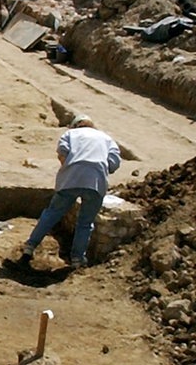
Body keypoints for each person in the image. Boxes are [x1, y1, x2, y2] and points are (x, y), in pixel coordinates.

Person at [17, 114, 121, 268]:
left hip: (69, 180)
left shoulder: (69, 134)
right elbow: (113, 163)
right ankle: (77, 259)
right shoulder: (106, 138)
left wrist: (72, 170)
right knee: (85, 223)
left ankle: (30, 247)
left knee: (52, 214)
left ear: (75, 126)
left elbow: (62, 155)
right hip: (96, 182)